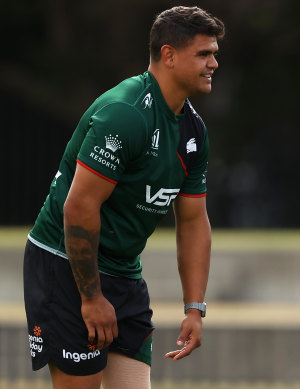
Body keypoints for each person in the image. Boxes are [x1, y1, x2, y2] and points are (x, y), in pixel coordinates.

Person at [23, 6, 224, 388]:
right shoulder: (126, 114)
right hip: (65, 265)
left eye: (214, 53)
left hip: (124, 273)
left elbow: (194, 221)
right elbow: (79, 207)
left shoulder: (193, 130)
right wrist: (91, 297)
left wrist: (194, 309)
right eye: (204, 53)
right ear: (168, 54)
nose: (214, 62)